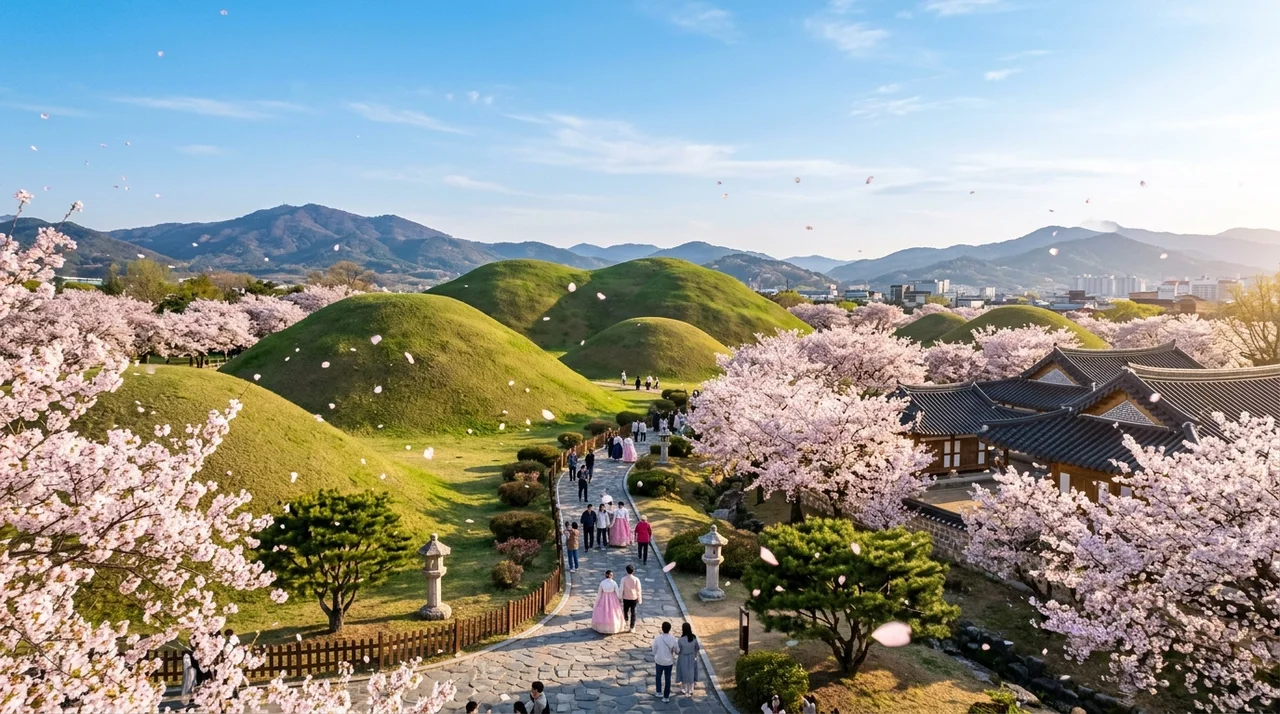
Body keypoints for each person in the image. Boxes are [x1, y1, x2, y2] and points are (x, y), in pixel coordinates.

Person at [652, 621, 678, 703]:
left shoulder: (658, 638)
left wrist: (656, 656)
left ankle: (658, 691)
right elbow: (677, 650)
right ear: (669, 629)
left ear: (662, 628)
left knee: (658, 676)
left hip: (659, 660)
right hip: (669, 662)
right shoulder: (672, 638)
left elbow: (654, 649)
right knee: (667, 678)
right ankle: (666, 696)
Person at [675, 623, 700, 696]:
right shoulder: (694, 638)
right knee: (691, 672)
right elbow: (697, 648)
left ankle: (683, 687)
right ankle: (691, 688)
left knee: (684, 672)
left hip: (683, 658)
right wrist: (695, 656)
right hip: (692, 657)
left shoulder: (681, 640)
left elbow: (678, 651)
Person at [620, 564, 642, 631]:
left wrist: (620, 597)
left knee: (625, 611)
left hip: (626, 597)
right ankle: (632, 627)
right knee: (633, 612)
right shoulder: (636, 579)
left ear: (626, 571)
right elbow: (638, 590)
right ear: (633, 571)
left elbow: (621, 589)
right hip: (633, 598)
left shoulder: (623, 579)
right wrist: (639, 598)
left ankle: (626, 621)